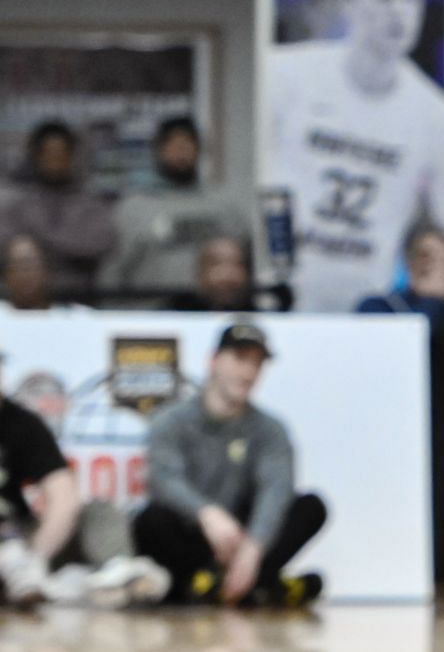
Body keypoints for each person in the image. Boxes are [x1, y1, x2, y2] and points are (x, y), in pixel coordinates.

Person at [266, 0, 444, 312]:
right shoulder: (284, 74)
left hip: (372, 309)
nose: (398, 11)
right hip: (289, 299)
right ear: (349, 2)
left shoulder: (436, 113)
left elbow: (443, 227)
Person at [133, 322, 326, 607]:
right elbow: (163, 480)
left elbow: (276, 489)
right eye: (239, 359)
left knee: (310, 507)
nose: (248, 372)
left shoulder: (270, 429)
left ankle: (214, 585)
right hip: (194, 534)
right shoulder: (170, 421)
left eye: (256, 364)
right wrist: (206, 513)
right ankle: (264, 586)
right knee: (150, 521)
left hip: (243, 536)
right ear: (213, 361)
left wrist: (254, 546)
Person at [0, 364, 170, 609]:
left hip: (22, 539)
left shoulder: (21, 423)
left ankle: (119, 573)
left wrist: (33, 559)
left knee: (98, 510)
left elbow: (64, 497)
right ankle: (71, 587)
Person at [100, 117, 251, 301]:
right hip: (150, 316)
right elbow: (113, 271)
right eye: (173, 145)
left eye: (187, 144)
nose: (180, 152)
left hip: (211, 316)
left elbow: (246, 266)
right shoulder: (133, 208)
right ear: (158, 150)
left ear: (200, 150)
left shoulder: (223, 207)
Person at [0, 120, 117, 299]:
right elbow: (6, 248)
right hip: (22, 302)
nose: (54, 162)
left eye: (61, 153)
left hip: (76, 298)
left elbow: (98, 245)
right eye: (48, 153)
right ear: (35, 156)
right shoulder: (17, 203)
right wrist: (65, 248)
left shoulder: (91, 204)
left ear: (72, 156)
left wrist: (39, 241)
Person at [355, 224, 444, 326]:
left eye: (441, 261)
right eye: (424, 256)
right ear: (408, 263)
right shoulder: (377, 307)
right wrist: (432, 299)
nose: (430, 266)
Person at [165, 235, 257, 312]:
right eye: (217, 263)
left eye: (237, 264)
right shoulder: (173, 314)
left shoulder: (261, 315)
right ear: (200, 272)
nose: (227, 274)